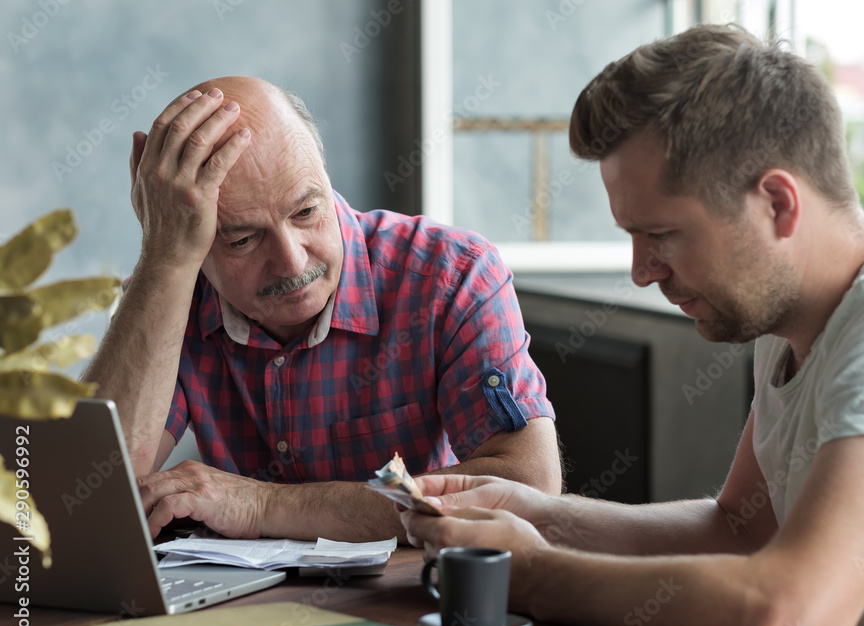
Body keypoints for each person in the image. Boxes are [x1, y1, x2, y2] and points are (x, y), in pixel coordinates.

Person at [401, 23, 864, 626]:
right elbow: (739, 529)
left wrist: (532, 574)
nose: (642, 271)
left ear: (777, 203)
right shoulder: (791, 321)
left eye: (662, 234)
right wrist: (542, 516)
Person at [83, 76, 561, 543]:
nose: (293, 262)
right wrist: (163, 259)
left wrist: (264, 505)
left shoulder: (451, 274)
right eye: (243, 239)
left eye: (306, 212)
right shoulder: (171, 292)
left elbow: (528, 486)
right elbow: (87, 497)